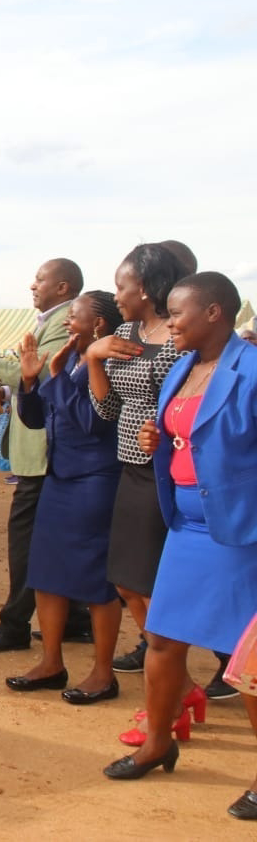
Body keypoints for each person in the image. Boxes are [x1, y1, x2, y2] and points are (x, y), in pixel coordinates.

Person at [103, 272, 257, 825]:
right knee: (163, 639)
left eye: (177, 313)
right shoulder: (183, 368)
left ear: (214, 312)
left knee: (247, 660)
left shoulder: (251, 369)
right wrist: (158, 441)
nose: (169, 323)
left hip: (238, 533)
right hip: (186, 528)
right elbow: (182, 433)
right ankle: (158, 743)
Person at [2, 291, 125, 701]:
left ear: (99, 324)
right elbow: (37, 419)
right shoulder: (70, 358)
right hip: (59, 478)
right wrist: (30, 381)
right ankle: (51, 663)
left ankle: (103, 674)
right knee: (46, 574)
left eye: (75, 315)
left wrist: (55, 375)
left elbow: (94, 422)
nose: (68, 321)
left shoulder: (111, 361)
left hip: (94, 481)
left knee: (95, 580)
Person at [0, 259, 91, 652]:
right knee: (57, 538)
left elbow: (44, 371)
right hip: (40, 451)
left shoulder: (63, 322)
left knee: (26, 542)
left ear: (63, 287)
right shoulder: (48, 322)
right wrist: (5, 391)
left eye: (39, 279)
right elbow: (35, 380)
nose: (32, 286)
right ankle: (74, 618)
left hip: (44, 454)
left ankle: (14, 624)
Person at [85, 244, 187, 677]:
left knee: (153, 584)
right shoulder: (125, 334)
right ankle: (178, 679)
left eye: (121, 286)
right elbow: (108, 410)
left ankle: (174, 678)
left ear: (143, 288)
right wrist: (93, 357)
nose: (117, 296)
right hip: (130, 468)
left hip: (168, 471)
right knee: (127, 581)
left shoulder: (182, 335)